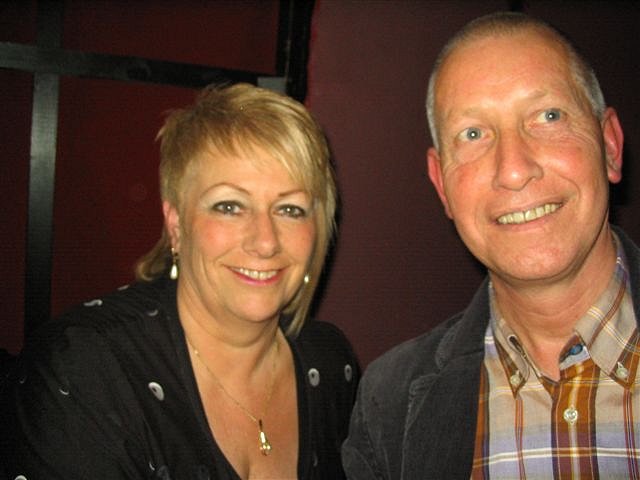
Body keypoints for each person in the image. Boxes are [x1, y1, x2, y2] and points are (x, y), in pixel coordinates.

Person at [1, 83, 359, 479]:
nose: (265, 241)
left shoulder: (331, 364)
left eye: (290, 209)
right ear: (176, 225)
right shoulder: (87, 370)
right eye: (229, 206)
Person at [342, 11, 639, 479]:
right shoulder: (388, 405)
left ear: (610, 146)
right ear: (441, 184)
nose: (514, 169)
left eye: (549, 116)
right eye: (474, 134)